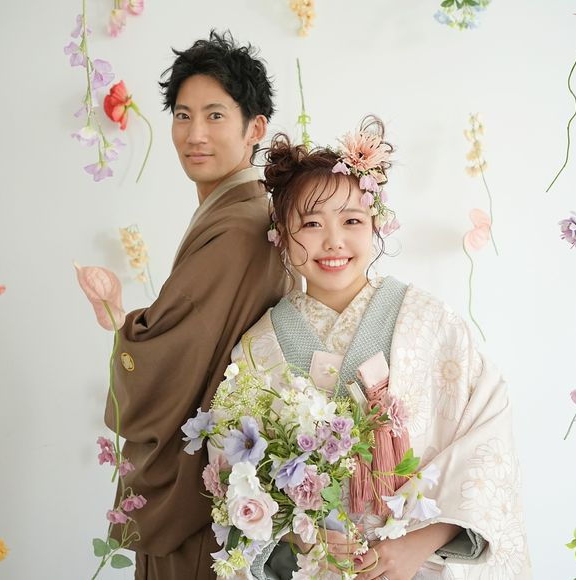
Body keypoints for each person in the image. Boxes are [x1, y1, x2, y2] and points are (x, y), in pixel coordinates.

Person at [220, 118, 531, 579]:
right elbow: (232, 470)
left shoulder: (429, 323)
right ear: (281, 235)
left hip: (417, 564)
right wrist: (297, 535)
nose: (334, 241)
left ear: (375, 226)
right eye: (311, 223)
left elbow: (488, 441)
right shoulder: (259, 347)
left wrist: (418, 543)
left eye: (352, 220)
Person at [104, 31, 287, 580]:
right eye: (183, 116)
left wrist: (122, 322)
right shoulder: (244, 212)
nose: (195, 134)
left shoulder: (238, 228)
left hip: (204, 488)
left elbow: (171, 353)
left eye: (215, 116)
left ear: (255, 128)